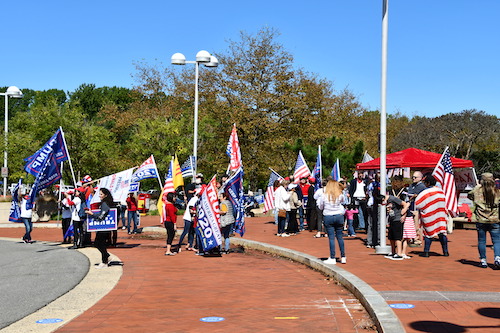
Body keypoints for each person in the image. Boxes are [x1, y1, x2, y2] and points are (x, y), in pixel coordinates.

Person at [468, 172, 500, 268]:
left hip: (481, 220)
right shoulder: (497, 191)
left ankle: (483, 260)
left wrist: (477, 186)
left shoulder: (477, 191)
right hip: (494, 219)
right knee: (497, 241)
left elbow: (470, 196)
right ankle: (497, 258)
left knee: (482, 241)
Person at [415, 173, 449, 257]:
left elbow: (418, 203)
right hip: (440, 215)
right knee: (442, 233)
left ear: (428, 183)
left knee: (428, 234)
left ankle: (426, 252)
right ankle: (445, 251)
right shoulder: (440, 191)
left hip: (429, 215)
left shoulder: (425, 192)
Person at [317, 180, 346, 265]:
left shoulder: (324, 196)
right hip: (338, 215)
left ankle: (332, 257)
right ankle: (343, 256)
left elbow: (321, 206)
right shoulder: (340, 195)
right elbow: (342, 202)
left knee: (331, 238)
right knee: (340, 237)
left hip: (328, 216)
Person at [382, 176, 410, 260]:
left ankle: (399, 252)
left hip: (399, 215)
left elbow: (406, 204)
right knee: (391, 235)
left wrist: (404, 214)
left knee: (398, 235)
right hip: (392, 215)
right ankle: (393, 251)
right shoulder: (391, 191)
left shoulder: (404, 191)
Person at [85, 188, 114, 268]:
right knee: (99, 243)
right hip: (104, 227)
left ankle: (105, 261)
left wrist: (92, 214)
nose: (99, 196)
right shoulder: (106, 203)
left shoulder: (105, 203)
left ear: (106, 195)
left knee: (99, 243)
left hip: (104, 227)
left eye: (101, 194)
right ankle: (106, 258)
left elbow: (101, 216)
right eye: (99, 194)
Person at [407, 171, 427, 246]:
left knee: (417, 224)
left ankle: (418, 239)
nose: (413, 179)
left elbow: (423, 196)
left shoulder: (422, 186)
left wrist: (415, 196)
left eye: (415, 177)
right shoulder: (411, 185)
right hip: (411, 206)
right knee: (411, 223)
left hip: (418, 208)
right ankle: (412, 238)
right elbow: (410, 193)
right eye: (413, 177)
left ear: (420, 178)